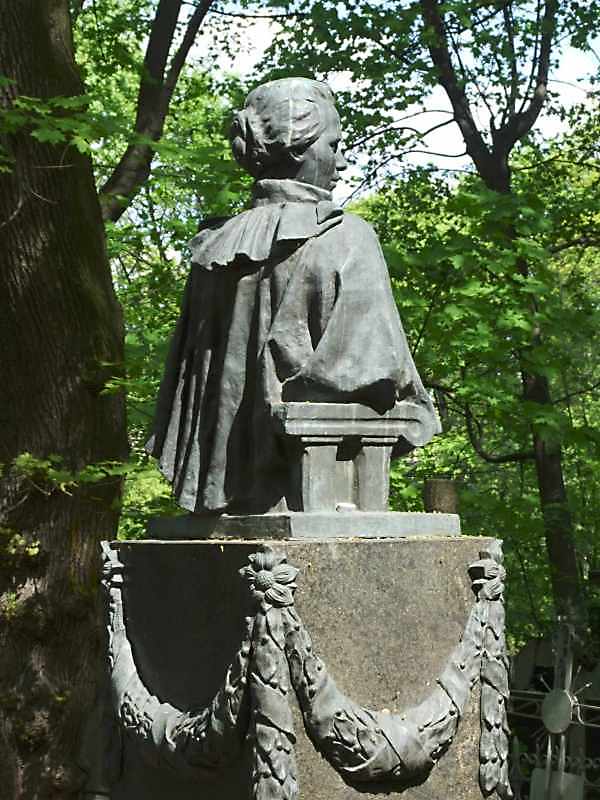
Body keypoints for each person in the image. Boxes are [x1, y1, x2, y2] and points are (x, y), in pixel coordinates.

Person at [146, 77, 439, 515]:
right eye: (333, 146)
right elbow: (376, 371)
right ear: (298, 148)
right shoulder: (349, 238)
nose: (342, 162)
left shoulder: (214, 249)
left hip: (218, 493)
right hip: (318, 488)